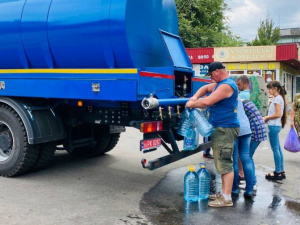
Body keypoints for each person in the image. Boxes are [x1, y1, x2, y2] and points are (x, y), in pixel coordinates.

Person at [186, 61, 239, 207]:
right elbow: (204, 88)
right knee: (221, 162)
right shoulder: (219, 84)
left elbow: (207, 102)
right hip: (221, 128)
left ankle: (226, 198)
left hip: (225, 129)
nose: (211, 78)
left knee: (225, 163)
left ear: (217, 71)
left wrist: (191, 103)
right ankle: (223, 192)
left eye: (211, 75)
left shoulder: (226, 86)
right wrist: (195, 97)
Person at [240, 100, 267, 191]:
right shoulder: (248, 102)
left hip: (255, 131)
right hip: (261, 129)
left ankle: (252, 183)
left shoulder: (241, 105)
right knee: (249, 158)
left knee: (248, 158)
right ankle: (251, 181)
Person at [263, 81, 287, 180]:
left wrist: (267, 117)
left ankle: (277, 172)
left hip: (273, 125)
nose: (268, 91)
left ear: (275, 88)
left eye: (270, 88)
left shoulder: (277, 99)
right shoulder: (279, 98)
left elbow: (277, 114)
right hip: (276, 125)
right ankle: (281, 171)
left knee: (275, 149)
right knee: (278, 149)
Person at [232, 97, 253, 198]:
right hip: (246, 127)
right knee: (246, 158)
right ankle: (249, 190)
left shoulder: (223, 94)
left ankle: (234, 189)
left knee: (234, 160)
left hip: (234, 129)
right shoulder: (237, 96)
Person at [236, 75, 251, 182]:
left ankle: (236, 185)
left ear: (246, 83)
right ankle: (251, 185)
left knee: (237, 157)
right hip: (247, 127)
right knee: (246, 158)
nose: (237, 86)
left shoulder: (243, 95)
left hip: (239, 128)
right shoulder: (244, 94)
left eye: (239, 84)